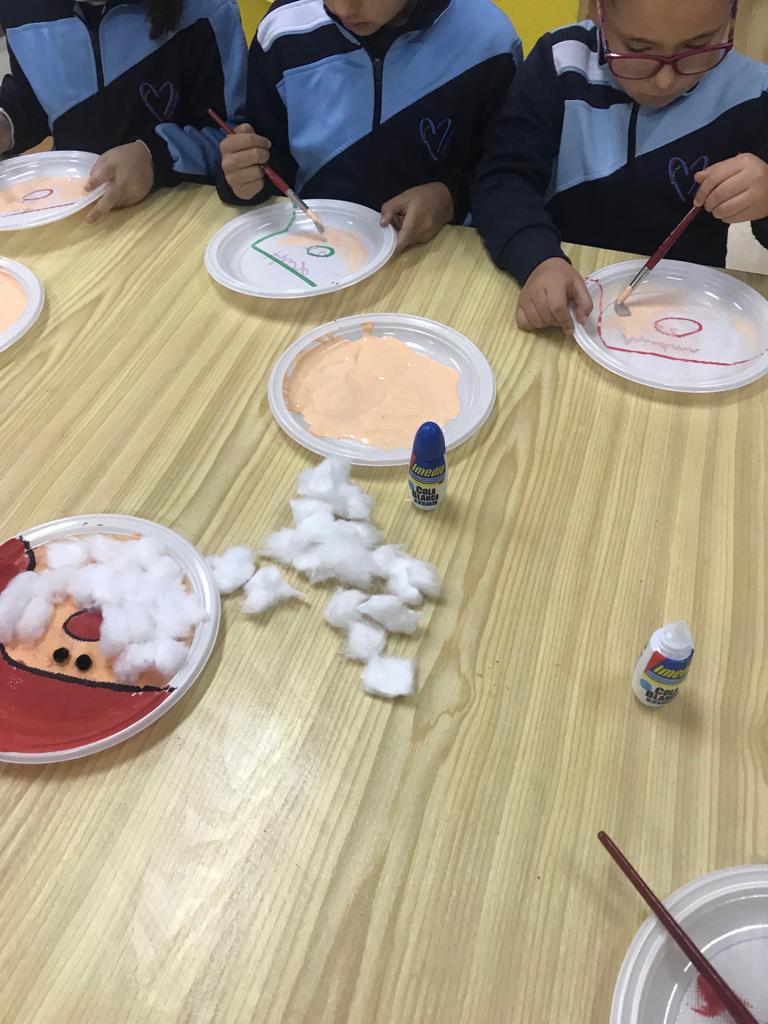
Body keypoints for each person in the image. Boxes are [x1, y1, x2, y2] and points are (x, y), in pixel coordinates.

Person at [472, 0, 768, 335]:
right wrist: (537, 258)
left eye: (697, 46)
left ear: (732, 18)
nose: (664, 81)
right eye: (638, 48)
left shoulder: (754, 93)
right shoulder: (560, 63)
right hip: (562, 290)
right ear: (597, 11)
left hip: (688, 313)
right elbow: (504, 178)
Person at [218, 0, 521, 252]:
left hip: (437, 257)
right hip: (315, 252)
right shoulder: (282, 32)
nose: (343, 9)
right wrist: (243, 178)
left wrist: (450, 197)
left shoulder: (489, 43)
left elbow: (505, 178)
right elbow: (269, 162)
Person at [0, 0, 247, 221]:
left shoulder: (206, 10)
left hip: (182, 214)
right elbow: (38, 94)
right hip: (74, 211)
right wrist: (8, 118)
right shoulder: (19, 9)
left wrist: (155, 157)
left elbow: (237, 141)